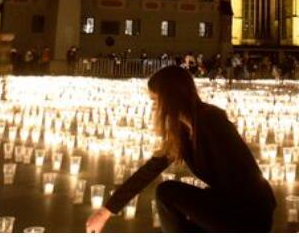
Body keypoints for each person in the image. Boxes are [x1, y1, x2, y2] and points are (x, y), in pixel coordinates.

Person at [85, 66, 275, 233]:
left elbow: (237, 179)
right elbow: (150, 170)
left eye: (154, 101)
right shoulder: (183, 129)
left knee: (167, 192)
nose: (153, 108)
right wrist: (106, 211)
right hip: (229, 205)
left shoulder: (212, 122)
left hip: (249, 214)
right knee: (167, 193)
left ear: (170, 99)